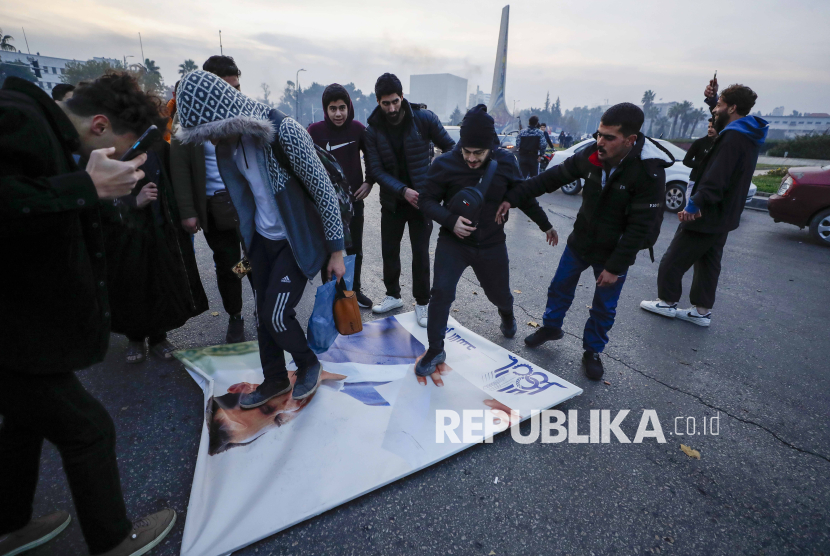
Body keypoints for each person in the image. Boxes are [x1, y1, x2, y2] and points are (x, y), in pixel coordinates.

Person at [0, 75, 176, 556]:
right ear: (99, 125)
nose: (117, 164)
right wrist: (85, 184)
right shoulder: (18, 117)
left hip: (20, 330)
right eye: (118, 153)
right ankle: (114, 541)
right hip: (11, 332)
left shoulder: (52, 138)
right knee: (89, 429)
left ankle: (10, 526)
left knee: (22, 423)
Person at [175, 70, 346, 408]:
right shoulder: (230, 146)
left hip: (295, 241)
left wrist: (337, 251)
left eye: (212, 132)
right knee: (261, 315)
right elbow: (247, 200)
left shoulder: (285, 132)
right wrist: (246, 250)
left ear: (226, 117)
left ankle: (308, 363)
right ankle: (275, 380)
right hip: (260, 243)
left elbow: (323, 192)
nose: (212, 141)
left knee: (277, 314)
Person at [497, 103, 671, 380]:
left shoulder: (648, 172)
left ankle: (592, 351)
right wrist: (512, 198)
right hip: (581, 241)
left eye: (609, 137)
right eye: (598, 134)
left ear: (631, 140)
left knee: (604, 306)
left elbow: (642, 229)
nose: (600, 141)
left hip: (616, 251)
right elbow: (550, 179)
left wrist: (614, 267)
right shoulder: (591, 154)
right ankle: (551, 327)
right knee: (559, 287)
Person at [75, 75, 209, 364]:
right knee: (130, 284)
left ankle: (159, 337)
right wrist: (132, 202)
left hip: (162, 227)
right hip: (124, 231)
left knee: (162, 280)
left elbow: (176, 180)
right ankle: (135, 338)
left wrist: (183, 213)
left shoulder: (158, 143)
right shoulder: (104, 147)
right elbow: (92, 195)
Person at [416, 105, 556, 377]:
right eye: (466, 152)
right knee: (441, 293)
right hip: (453, 243)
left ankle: (507, 313)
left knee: (499, 294)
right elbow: (425, 200)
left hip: (491, 244)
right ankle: (435, 349)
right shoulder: (445, 163)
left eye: (477, 153)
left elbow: (523, 195)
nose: (470, 159)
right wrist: (450, 220)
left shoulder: (505, 162)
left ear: (491, 146)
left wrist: (546, 224)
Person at [641, 85, 767, 327]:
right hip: (726, 213)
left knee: (673, 259)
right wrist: (711, 100)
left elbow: (717, 175)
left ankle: (666, 301)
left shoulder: (732, 138)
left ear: (732, 107)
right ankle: (701, 311)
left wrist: (695, 203)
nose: (715, 110)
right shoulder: (748, 132)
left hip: (708, 211)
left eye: (719, 105)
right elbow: (722, 122)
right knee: (709, 262)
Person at [364, 73, 455, 326]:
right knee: (389, 251)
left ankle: (423, 303)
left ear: (402, 97)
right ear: (378, 102)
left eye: (395, 101)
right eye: (386, 103)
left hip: (423, 201)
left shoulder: (424, 119)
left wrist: (436, 172)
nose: (392, 108)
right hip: (392, 201)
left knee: (420, 254)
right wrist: (403, 190)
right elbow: (376, 170)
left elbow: (451, 148)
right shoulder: (373, 130)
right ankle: (393, 295)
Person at [171, 56, 248, 344]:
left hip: (248, 203)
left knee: (255, 258)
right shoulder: (186, 116)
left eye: (237, 87)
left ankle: (264, 309)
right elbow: (179, 167)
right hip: (215, 208)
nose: (234, 94)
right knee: (227, 264)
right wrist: (188, 211)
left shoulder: (243, 111)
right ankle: (235, 315)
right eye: (228, 88)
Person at [307, 83, 374, 308]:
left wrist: (369, 182)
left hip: (353, 203)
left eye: (342, 107)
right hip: (325, 205)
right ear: (325, 109)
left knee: (355, 250)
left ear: (349, 107)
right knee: (329, 252)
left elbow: (374, 159)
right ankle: (332, 294)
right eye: (333, 108)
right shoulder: (314, 132)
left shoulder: (357, 129)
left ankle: (354, 291)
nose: (338, 113)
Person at [681, 117, 717, 211]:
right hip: (695, 181)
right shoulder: (699, 143)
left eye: (713, 127)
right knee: (689, 212)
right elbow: (686, 161)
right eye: (708, 127)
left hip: (710, 184)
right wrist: (703, 164)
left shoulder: (720, 145)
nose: (710, 129)